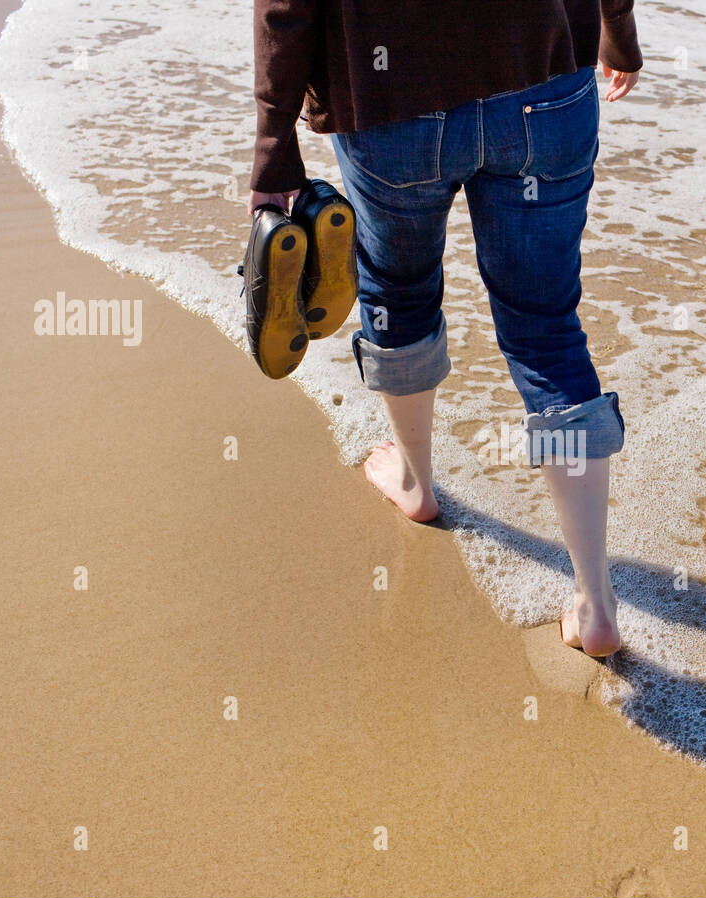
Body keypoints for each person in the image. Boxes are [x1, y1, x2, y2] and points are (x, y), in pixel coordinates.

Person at [249, 1, 642, 657]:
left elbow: (286, 7)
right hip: (545, 84)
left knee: (398, 292)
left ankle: (416, 479)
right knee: (547, 329)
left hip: (393, 103)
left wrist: (273, 147)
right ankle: (597, 604)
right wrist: (617, 32)